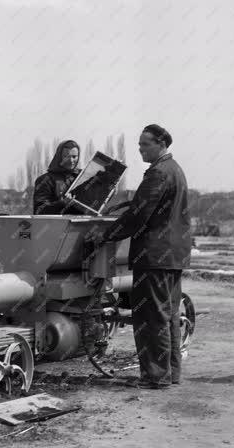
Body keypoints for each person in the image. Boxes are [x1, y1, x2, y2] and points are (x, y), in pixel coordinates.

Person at [90, 124, 192, 389]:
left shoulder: (158, 172)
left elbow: (139, 215)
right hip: (172, 256)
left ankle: (155, 376)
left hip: (155, 257)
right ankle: (170, 372)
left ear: (161, 143)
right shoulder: (175, 170)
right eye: (139, 144)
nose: (140, 149)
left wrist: (105, 235)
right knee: (167, 315)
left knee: (150, 317)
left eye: (145, 144)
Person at [33, 140, 84, 215]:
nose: (71, 160)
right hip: (56, 225)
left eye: (74, 156)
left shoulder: (83, 177)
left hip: (84, 225)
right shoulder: (45, 180)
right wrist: (62, 204)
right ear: (59, 156)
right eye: (66, 156)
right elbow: (39, 210)